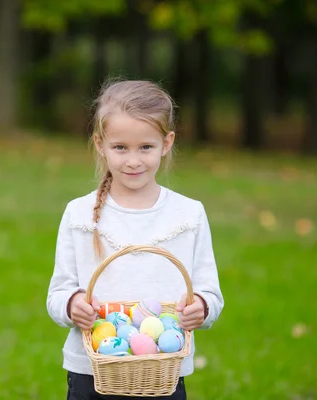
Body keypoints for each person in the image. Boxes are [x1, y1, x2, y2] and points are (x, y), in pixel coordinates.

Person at [46, 80, 224, 399]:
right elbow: (58, 292)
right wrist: (73, 305)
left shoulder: (189, 214)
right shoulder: (79, 214)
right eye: (120, 147)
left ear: (166, 143)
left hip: (163, 371)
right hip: (92, 371)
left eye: (146, 147)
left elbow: (209, 291)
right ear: (100, 144)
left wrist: (202, 307)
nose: (133, 161)